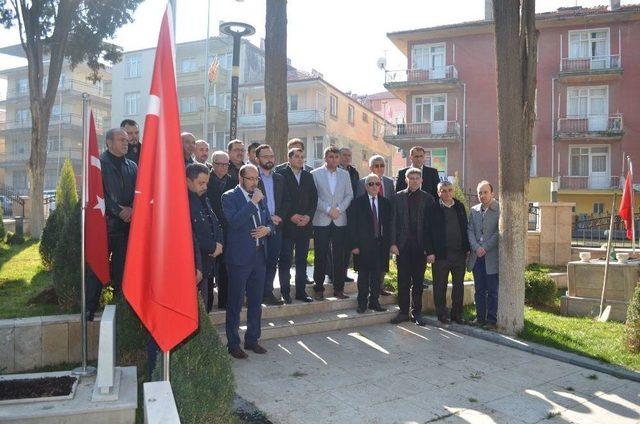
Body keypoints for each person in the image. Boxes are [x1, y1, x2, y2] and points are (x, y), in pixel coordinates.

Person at [222, 164, 273, 359]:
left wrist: (267, 230)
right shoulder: (229, 197)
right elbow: (234, 223)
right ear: (240, 179)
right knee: (235, 302)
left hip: (259, 256)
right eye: (250, 179)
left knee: (255, 301)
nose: (254, 182)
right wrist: (252, 203)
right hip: (239, 258)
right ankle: (233, 343)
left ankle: (252, 339)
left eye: (256, 179)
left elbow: (268, 221)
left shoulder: (260, 196)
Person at [86, 128, 137, 320]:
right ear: (108, 142)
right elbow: (98, 195)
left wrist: (132, 209)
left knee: (122, 271)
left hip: (125, 229)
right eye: (121, 139)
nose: (126, 143)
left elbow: (139, 191)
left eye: (127, 140)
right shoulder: (98, 163)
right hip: (104, 227)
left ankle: (120, 309)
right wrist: (118, 210)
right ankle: (89, 308)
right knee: (96, 269)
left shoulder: (132, 165)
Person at [390, 167, 435, 326]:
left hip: (420, 247)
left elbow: (431, 227)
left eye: (417, 178)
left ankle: (417, 313)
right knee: (403, 280)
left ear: (421, 180)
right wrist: (393, 243)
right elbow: (393, 221)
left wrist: (430, 250)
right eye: (411, 178)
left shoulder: (428, 199)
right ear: (406, 180)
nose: (414, 180)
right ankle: (403, 312)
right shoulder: (397, 198)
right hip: (402, 246)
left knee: (418, 281)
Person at [424, 181, 470, 324]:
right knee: (440, 286)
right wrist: (430, 252)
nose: (447, 193)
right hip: (440, 255)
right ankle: (442, 314)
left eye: (450, 190)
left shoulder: (460, 207)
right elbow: (427, 232)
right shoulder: (432, 208)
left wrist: (467, 248)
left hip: (459, 254)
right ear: (438, 193)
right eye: (443, 191)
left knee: (459, 285)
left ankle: (457, 314)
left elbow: (465, 227)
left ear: (453, 191)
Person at [311, 146, 353, 300]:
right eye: (330, 157)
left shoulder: (345, 174)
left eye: (336, 157)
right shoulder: (315, 174)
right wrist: (328, 209)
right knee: (320, 255)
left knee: (340, 257)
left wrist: (339, 210)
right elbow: (313, 197)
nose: (334, 160)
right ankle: (319, 288)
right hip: (321, 219)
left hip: (340, 220)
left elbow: (349, 195)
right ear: (325, 158)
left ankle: (339, 289)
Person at [276, 147, 317, 303]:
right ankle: (285, 292)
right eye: (297, 156)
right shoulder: (281, 174)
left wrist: (308, 216)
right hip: (287, 225)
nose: (300, 159)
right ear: (289, 158)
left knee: (301, 260)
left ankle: (300, 292)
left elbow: (314, 198)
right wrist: (290, 216)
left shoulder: (307, 176)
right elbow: (280, 199)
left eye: (302, 157)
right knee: (286, 260)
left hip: (304, 226)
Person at [349, 173, 391, 313]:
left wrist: (389, 244)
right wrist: (354, 245)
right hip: (362, 246)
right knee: (363, 277)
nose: (374, 186)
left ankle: (374, 302)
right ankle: (362, 303)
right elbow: (352, 225)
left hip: (380, 245)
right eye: (371, 184)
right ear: (366, 186)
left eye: (377, 184)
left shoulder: (385, 203)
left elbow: (389, 225)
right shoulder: (357, 203)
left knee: (377, 276)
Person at [355, 155, 395, 296]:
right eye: (376, 165)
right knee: (365, 270)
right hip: (366, 235)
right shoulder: (362, 183)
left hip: (382, 233)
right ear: (370, 167)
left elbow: (391, 207)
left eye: (382, 165)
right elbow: (359, 210)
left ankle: (379, 288)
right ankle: (364, 297)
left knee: (381, 265)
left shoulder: (389, 183)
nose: (379, 168)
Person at [256, 144, 290, 305]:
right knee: (257, 262)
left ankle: (267, 293)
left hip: (276, 227)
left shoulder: (280, 178)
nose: (269, 159)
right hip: (258, 228)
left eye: (271, 156)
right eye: (265, 156)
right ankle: (254, 295)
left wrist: (279, 217)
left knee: (272, 262)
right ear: (257, 159)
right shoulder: (252, 177)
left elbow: (286, 201)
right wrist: (268, 218)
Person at [186, 163, 223, 311]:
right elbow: (191, 233)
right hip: (196, 264)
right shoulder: (184, 203)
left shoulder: (204, 198)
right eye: (201, 183)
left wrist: (219, 243)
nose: (205, 187)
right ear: (188, 181)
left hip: (209, 263)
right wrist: (212, 246)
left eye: (206, 183)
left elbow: (216, 223)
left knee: (206, 307)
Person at [467, 180, 500, 329]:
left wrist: (485, 247)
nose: (482, 195)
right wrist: (476, 247)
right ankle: (480, 318)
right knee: (479, 289)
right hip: (477, 257)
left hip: (491, 256)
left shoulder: (499, 209)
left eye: (485, 192)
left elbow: (499, 233)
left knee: (492, 291)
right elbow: (470, 230)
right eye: (480, 193)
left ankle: (492, 320)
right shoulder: (474, 210)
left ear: (492, 193)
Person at [207, 151, 236, 310]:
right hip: (210, 231)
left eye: (227, 164)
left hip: (228, 230)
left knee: (225, 267)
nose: (224, 167)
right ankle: (208, 303)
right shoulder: (206, 180)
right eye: (220, 164)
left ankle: (224, 301)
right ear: (213, 164)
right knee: (210, 268)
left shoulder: (233, 182)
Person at [338, 146, 360, 284]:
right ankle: (334, 273)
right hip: (338, 211)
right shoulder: (336, 171)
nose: (347, 157)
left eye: (349, 155)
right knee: (337, 247)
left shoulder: (354, 172)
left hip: (351, 212)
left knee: (347, 246)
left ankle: (344, 272)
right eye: (344, 155)